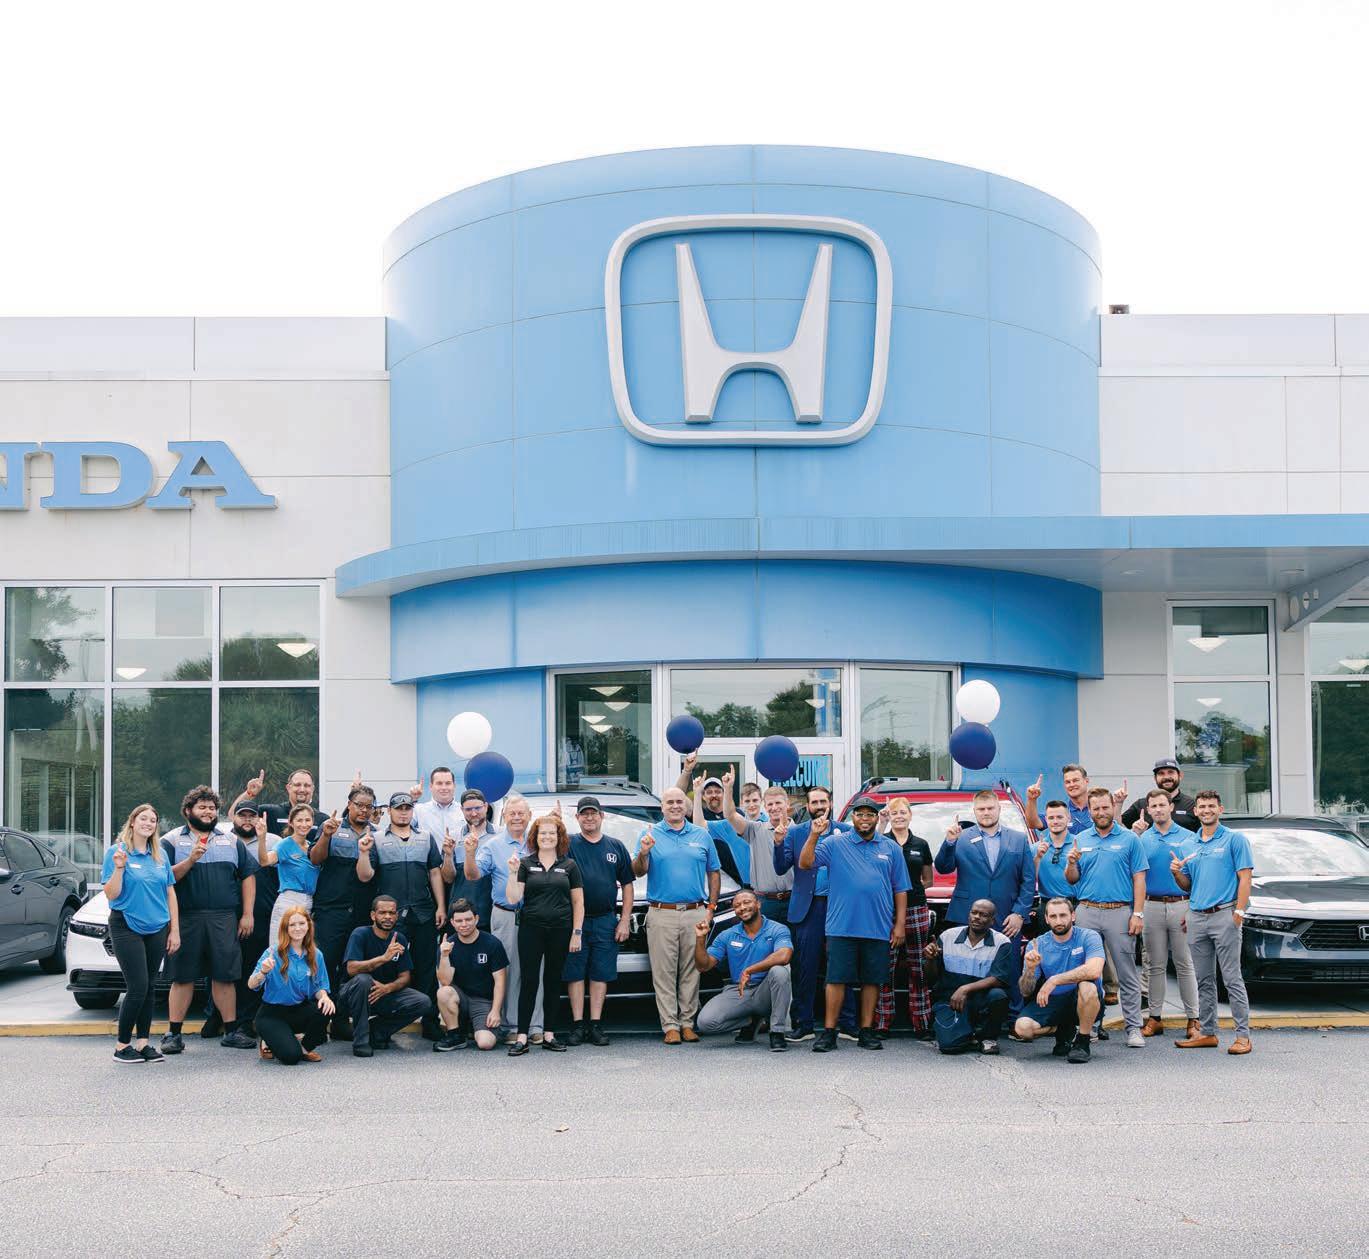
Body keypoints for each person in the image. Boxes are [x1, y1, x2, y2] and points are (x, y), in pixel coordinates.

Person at [799, 795, 910, 1052]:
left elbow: (901, 889)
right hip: (841, 926)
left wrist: (900, 925)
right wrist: (814, 834)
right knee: (836, 979)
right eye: (860, 814)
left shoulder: (891, 848)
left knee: (872, 980)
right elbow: (805, 863)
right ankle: (829, 1032)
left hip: (878, 926)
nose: (865, 819)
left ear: (876, 818)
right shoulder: (835, 843)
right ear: (853, 818)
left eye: (870, 814)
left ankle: (867, 1031)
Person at [160, 786, 256, 1054]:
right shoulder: (171, 841)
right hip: (186, 918)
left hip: (223, 918)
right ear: (188, 811)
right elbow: (165, 879)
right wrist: (191, 859)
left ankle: (231, 1031)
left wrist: (247, 914)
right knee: (182, 977)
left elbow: (248, 876)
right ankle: (173, 1034)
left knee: (225, 976)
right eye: (202, 807)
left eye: (212, 808)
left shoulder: (231, 841)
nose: (208, 812)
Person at [631, 786, 720, 1044]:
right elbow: (637, 871)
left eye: (679, 802)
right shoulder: (649, 834)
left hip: (695, 911)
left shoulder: (702, 835)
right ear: (662, 807)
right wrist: (644, 852)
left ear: (687, 806)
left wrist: (711, 908)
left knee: (692, 969)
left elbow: (714, 872)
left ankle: (688, 1023)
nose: (674, 806)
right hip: (662, 912)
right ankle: (670, 1025)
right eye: (669, 802)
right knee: (664, 971)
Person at [932, 790, 1033, 1017]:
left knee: (1010, 967)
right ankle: (961, 1016)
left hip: (1007, 917)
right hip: (968, 915)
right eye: (981, 809)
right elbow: (943, 868)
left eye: (990, 808)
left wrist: (1019, 913)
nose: (986, 813)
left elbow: (1028, 881)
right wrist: (949, 842)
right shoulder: (961, 837)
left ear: (999, 809)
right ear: (974, 811)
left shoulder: (1018, 839)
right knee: (963, 970)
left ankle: (1013, 1017)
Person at [357, 791, 446, 1039]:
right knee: (389, 967)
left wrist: (440, 906)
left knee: (426, 967)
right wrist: (363, 853)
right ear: (390, 811)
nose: (403, 812)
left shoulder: (425, 838)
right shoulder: (376, 838)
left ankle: (429, 1021)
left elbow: (435, 873)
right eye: (399, 808)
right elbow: (365, 876)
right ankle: (386, 1021)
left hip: (423, 912)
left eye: (407, 808)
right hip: (391, 917)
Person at [1172, 790, 1254, 1055]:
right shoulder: (1188, 845)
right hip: (1197, 917)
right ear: (1195, 811)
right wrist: (1176, 873)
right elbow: (1188, 885)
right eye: (1202, 807)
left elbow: (1245, 877)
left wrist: (1239, 911)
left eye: (1211, 806)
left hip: (1224, 915)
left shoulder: (1234, 840)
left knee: (1231, 978)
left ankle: (1243, 1036)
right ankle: (1208, 1032)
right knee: (1204, 979)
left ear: (1220, 809)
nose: (1206, 810)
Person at [772, 784, 857, 1042]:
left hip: (838, 907)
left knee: (841, 964)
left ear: (830, 803)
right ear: (807, 806)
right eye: (814, 802)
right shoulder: (795, 832)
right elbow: (781, 867)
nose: (819, 806)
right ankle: (804, 1024)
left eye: (823, 801)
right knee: (805, 967)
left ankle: (848, 1023)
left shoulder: (846, 831)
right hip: (807, 908)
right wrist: (778, 842)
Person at [1064, 787, 1148, 1048]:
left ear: (1113, 807)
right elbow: (1072, 879)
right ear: (1089, 811)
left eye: (1105, 807)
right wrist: (1071, 863)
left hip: (1119, 912)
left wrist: (1137, 913)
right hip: (1087, 911)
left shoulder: (1130, 839)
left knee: (1127, 973)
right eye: (1096, 808)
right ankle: (1090, 1025)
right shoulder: (1080, 839)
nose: (1101, 812)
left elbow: (1139, 878)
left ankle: (1134, 1028)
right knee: (1088, 973)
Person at [104, 805, 180, 1064]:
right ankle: (122, 1046)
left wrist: (174, 930)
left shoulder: (159, 855)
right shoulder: (117, 852)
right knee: (137, 986)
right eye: (143, 819)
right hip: (126, 924)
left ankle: (143, 1043)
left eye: (153, 820)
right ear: (133, 822)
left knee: (149, 987)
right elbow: (111, 894)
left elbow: (170, 893)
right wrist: (119, 869)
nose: (148, 823)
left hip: (157, 927)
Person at [463, 793, 540, 1042]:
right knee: (506, 970)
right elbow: (473, 875)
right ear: (504, 816)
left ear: (529, 816)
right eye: (512, 813)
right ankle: (510, 1026)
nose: (517, 817)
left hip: (536, 916)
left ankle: (535, 1026)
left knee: (535, 969)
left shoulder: (538, 842)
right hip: (506, 915)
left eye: (521, 813)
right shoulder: (492, 845)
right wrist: (470, 853)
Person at [505, 813, 584, 1055]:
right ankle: (522, 1036)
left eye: (552, 833)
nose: (547, 837)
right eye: (543, 833)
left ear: (559, 837)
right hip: (531, 929)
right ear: (535, 837)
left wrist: (576, 933)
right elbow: (513, 898)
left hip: (561, 930)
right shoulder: (525, 864)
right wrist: (512, 873)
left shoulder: (569, 866)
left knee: (552, 981)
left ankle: (549, 1034)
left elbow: (578, 902)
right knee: (529, 981)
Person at [563, 796, 634, 1046]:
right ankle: (577, 1025)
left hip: (606, 920)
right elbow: (545, 845)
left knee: (600, 973)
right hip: (575, 923)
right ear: (577, 818)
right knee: (574, 973)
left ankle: (595, 1024)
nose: (589, 817)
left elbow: (627, 885)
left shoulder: (615, 846)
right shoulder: (568, 844)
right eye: (584, 814)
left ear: (602, 816)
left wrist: (624, 920)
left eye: (593, 813)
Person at [308, 785, 376, 1040]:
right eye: (359, 805)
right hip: (331, 909)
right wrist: (326, 836)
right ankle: (318, 1023)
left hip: (360, 912)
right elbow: (315, 859)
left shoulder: (375, 834)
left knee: (351, 968)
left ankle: (340, 1020)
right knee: (325, 964)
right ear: (349, 804)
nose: (364, 810)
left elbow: (369, 875)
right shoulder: (332, 827)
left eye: (369, 806)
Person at [1135, 788, 1201, 1039]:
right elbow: (1136, 876)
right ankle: (1154, 1018)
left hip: (1181, 905)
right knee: (1155, 965)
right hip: (1151, 905)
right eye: (1153, 806)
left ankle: (1193, 1019)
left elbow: (1197, 877)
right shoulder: (1142, 839)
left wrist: (1193, 909)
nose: (1158, 809)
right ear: (1148, 810)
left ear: (1171, 807)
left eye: (1162, 805)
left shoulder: (1189, 838)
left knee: (1184, 964)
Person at [694, 890, 792, 1051]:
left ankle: (777, 1032)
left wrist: (750, 970)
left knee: (779, 972)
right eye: (737, 905)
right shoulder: (727, 935)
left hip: (766, 991)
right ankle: (751, 1021)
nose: (742, 907)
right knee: (705, 1023)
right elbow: (703, 966)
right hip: (739, 990)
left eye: (747, 902)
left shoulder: (777, 929)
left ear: (758, 904)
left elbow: (784, 955)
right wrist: (700, 938)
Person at [337, 894, 433, 1057]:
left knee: (423, 1002)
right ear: (373, 915)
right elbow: (351, 969)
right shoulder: (360, 934)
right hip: (353, 996)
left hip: (382, 994)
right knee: (364, 980)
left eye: (392, 913)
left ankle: (376, 1032)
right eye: (382, 913)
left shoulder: (399, 939)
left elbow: (405, 977)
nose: (388, 917)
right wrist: (383, 958)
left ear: (397, 915)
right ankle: (361, 1042)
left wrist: (387, 988)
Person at [1014, 897, 1105, 1063]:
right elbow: (1025, 991)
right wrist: (1031, 970)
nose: (1058, 921)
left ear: (1073, 916)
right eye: (1053, 916)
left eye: (1063, 915)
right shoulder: (1037, 944)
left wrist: (1054, 980)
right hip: (1054, 1000)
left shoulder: (1089, 936)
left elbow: (1094, 970)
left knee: (1087, 986)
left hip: (1082, 999)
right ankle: (1062, 1030)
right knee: (1022, 1029)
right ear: (1046, 919)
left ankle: (1082, 1041)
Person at [875, 797, 935, 1039]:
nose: (899, 816)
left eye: (903, 812)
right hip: (885, 911)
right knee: (884, 969)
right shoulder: (881, 841)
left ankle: (922, 1023)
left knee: (918, 969)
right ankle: (882, 1023)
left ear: (910, 815)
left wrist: (910, 889)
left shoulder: (921, 844)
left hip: (916, 909)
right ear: (888, 816)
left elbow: (928, 879)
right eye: (894, 813)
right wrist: (880, 823)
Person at [922, 898, 1012, 1055]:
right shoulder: (948, 936)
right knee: (949, 1046)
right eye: (974, 913)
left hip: (981, 1000)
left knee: (998, 996)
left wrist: (965, 989)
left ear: (992, 921)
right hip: (951, 1000)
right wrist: (930, 960)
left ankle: (988, 1038)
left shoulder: (1002, 942)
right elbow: (931, 978)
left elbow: (999, 978)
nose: (977, 917)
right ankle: (972, 1036)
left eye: (983, 915)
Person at [246, 907, 334, 1064]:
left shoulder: (316, 954)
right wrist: (263, 972)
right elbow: (251, 984)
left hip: (298, 1009)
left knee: (327, 1007)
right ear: (285, 928)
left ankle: (304, 1048)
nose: (297, 928)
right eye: (292, 925)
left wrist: (325, 997)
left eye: (301, 923)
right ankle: (268, 1039)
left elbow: (319, 987)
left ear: (308, 925)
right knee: (291, 1057)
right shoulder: (273, 952)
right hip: (271, 1014)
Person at [435, 898, 509, 1052]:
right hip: (460, 998)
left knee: (485, 1043)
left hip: (483, 1001)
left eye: (468, 919)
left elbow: (500, 981)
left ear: (476, 919)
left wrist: (496, 1011)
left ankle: (478, 1028)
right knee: (444, 992)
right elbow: (445, 981)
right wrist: (444, 956)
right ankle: (455, 1036)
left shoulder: (492, 943)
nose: (464, 924)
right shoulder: (448, 945)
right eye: (459, 921)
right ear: (452, 922)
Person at [255, 803, 320, 944]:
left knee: (300, 950)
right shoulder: (285, 844)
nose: (304, 824)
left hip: (308, 903)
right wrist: (261, 838)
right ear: (291, 822)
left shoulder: (312, 847)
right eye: (299, 820)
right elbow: (264, 861)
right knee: (279, 948)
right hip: (289, 901)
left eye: (307, 820)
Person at [1024, 764, 1126, 834]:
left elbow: (1116, 828)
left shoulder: (1099, 808)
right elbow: (1033, 823)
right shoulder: (1062, 811)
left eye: (1075, 780)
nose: (1072, 785)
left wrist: (1119, 804)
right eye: (1068, 782)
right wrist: (1031, 799)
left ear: (1086, 781)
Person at [234, 767, 328, 840]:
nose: (302, 789)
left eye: (307, 785)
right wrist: (249, 794)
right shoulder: (270, 812)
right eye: (297, 785)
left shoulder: (323, 820)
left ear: (312, 789)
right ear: (288, 787)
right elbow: (234, 815)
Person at [692, 771, 749, 883]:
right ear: (703, 796)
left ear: (723, 794)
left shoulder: (737, 815)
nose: (714, 795)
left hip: (744, 877)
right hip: (718, 878)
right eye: (709, 792)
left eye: (718, 791)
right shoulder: (700, 814)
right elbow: (699, 826)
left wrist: (728, 788)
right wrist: (696, 792)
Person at [1030, 800, 1077, 931]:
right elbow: (1029, 880)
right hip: (1047, 906)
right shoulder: (1035, 848)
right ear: (1046, 819)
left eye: (1060, 817)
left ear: (1068, 818)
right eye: (1051, 818)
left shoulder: (1079, 844)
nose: (1055, 821)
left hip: (1075, 905)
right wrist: (1038, 857)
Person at [1121, 758, 1200, 833]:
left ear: (1180, 776)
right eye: (1161, 773)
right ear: (1155, 778)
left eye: (1171, 772)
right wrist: (1119, 803)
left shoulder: (1191, 805)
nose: (1166, 777)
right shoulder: (1141, 804)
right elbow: (1118, 828)